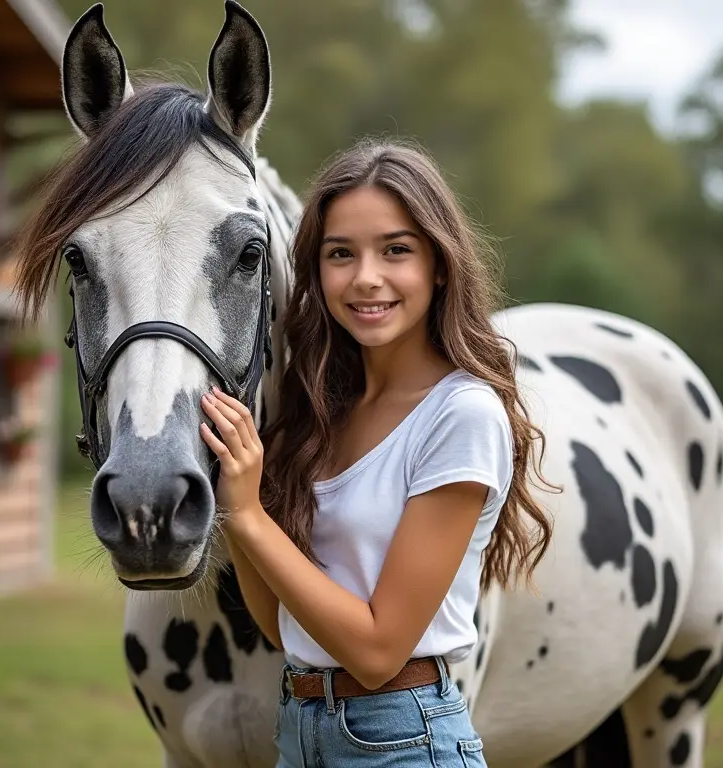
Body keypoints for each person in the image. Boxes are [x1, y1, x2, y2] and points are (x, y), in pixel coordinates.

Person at [197, 137, 555, 767]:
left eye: (396, 250)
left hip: (402, 741)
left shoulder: (460, 415)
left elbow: (377, 650)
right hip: (300, 730)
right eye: (341, 254)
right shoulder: (318, 416)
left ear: (438, 264)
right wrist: (237, 507)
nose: (366, 277)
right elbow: (283, 627)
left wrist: (252, 516)